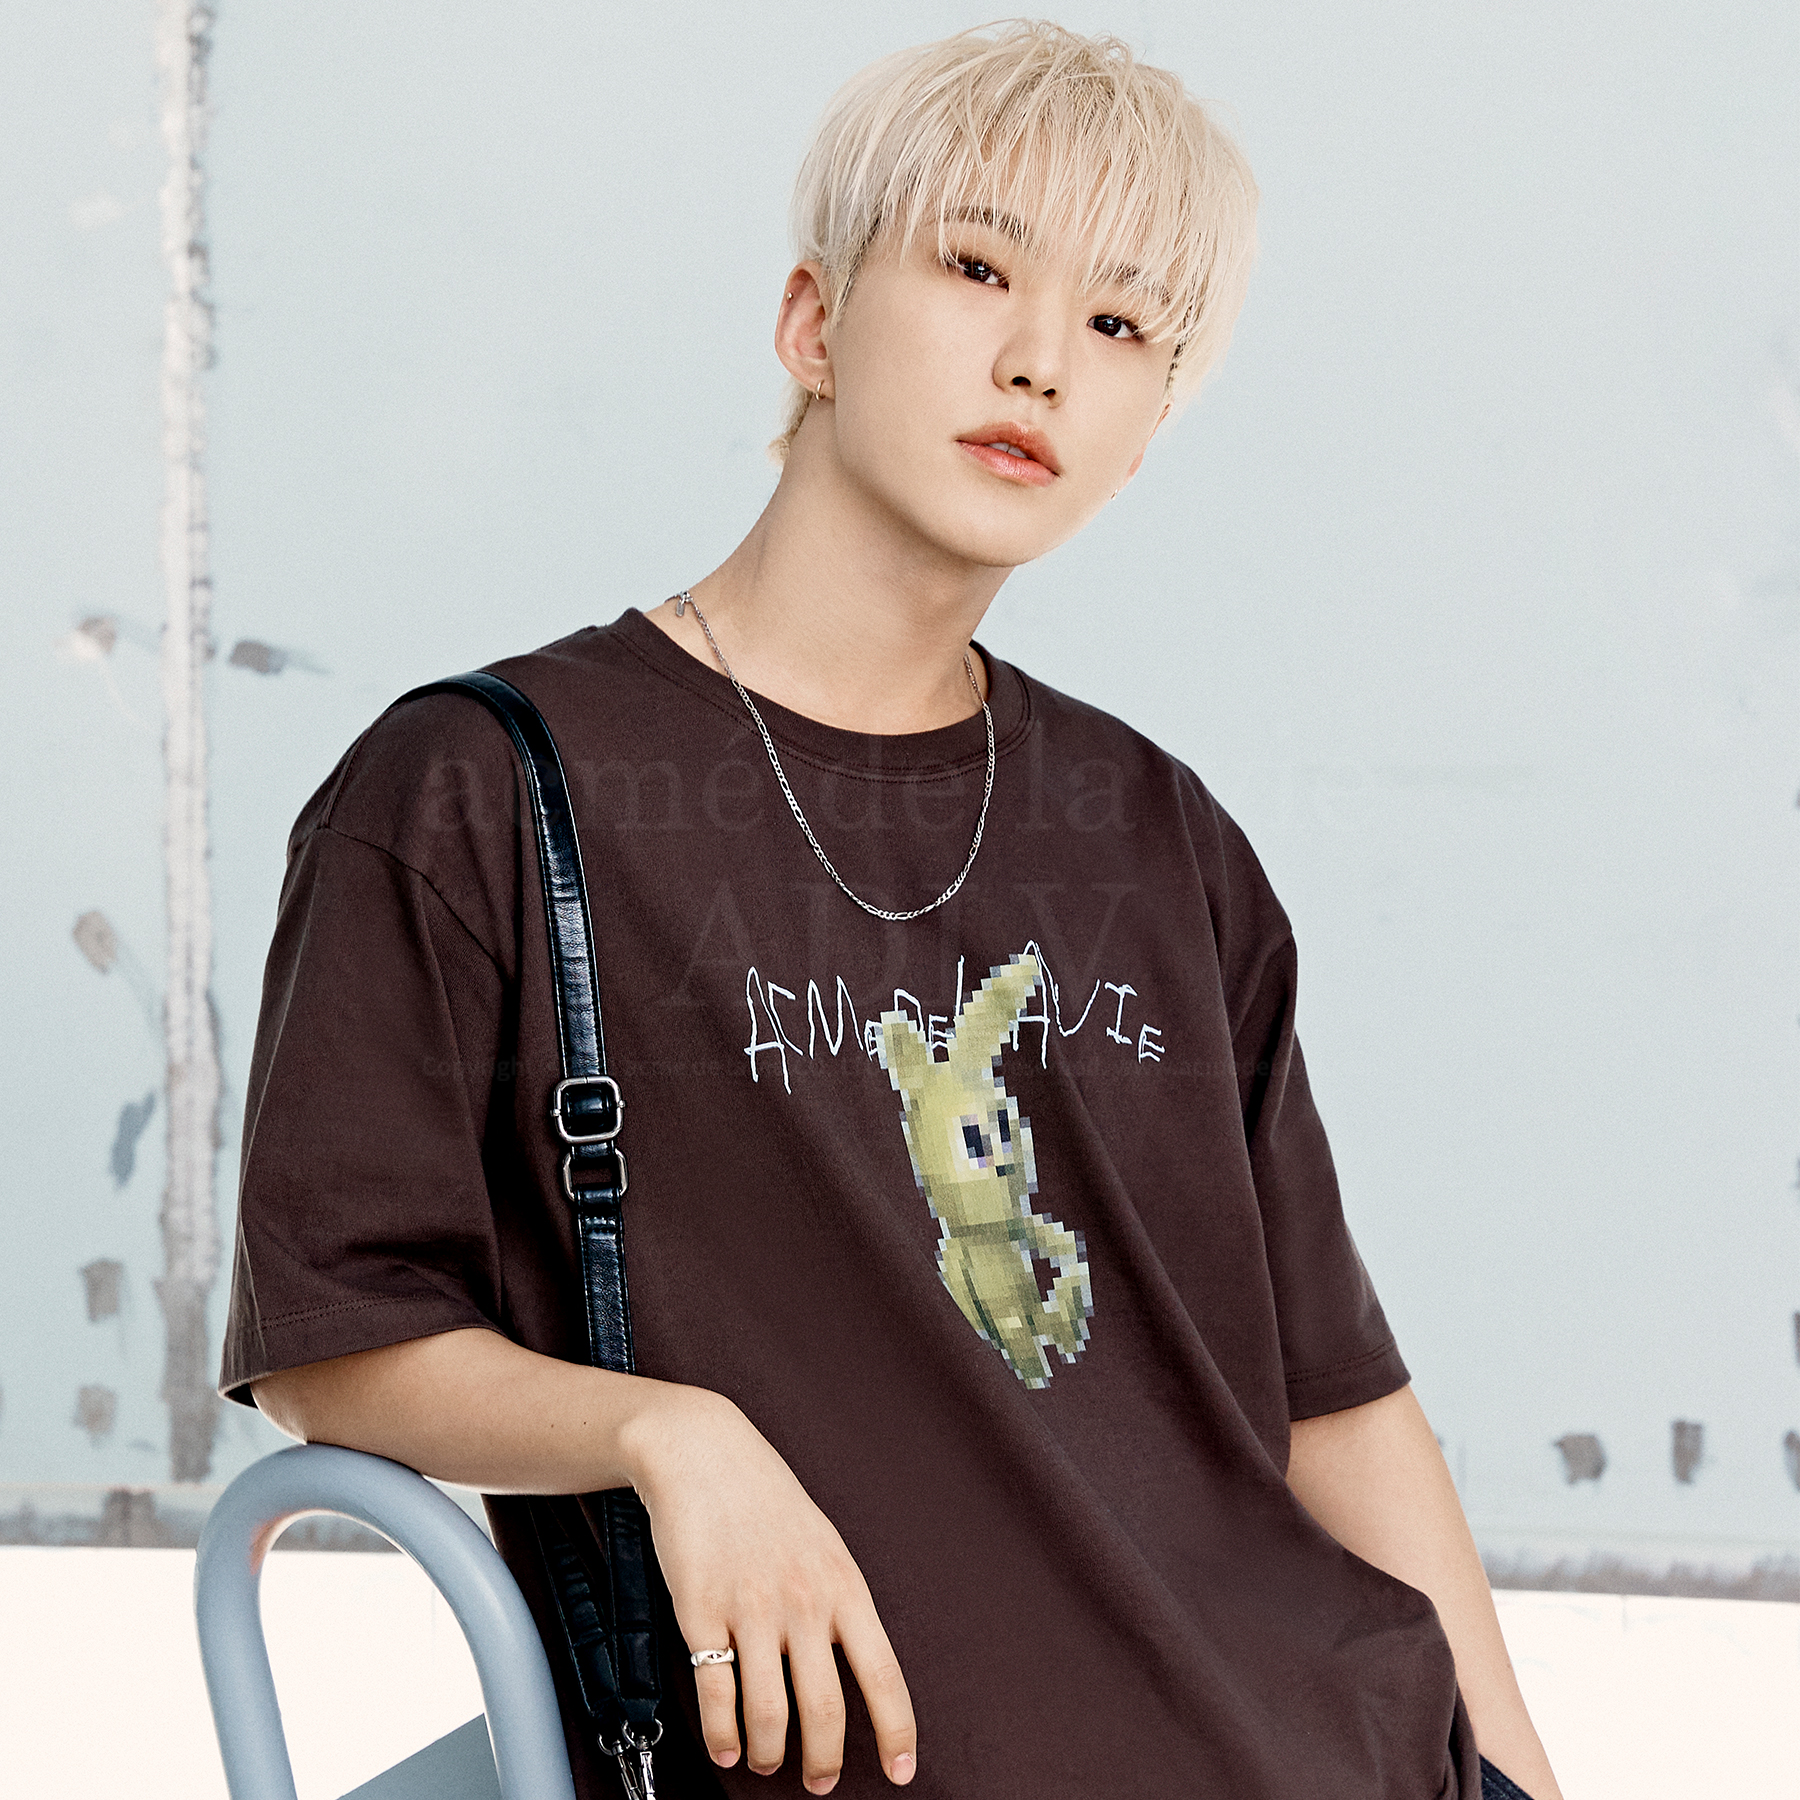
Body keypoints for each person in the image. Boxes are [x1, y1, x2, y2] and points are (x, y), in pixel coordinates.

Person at [223, 20, 1563, 1800]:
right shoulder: (480, 791)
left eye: (1121, 326)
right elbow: (336, 1345)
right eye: (978, 266)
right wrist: (665, 1434)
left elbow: (1336, 1401)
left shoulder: (1160, 839)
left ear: (1146, 436)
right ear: (813, 323)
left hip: (1334, 1747)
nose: (1040, 362)